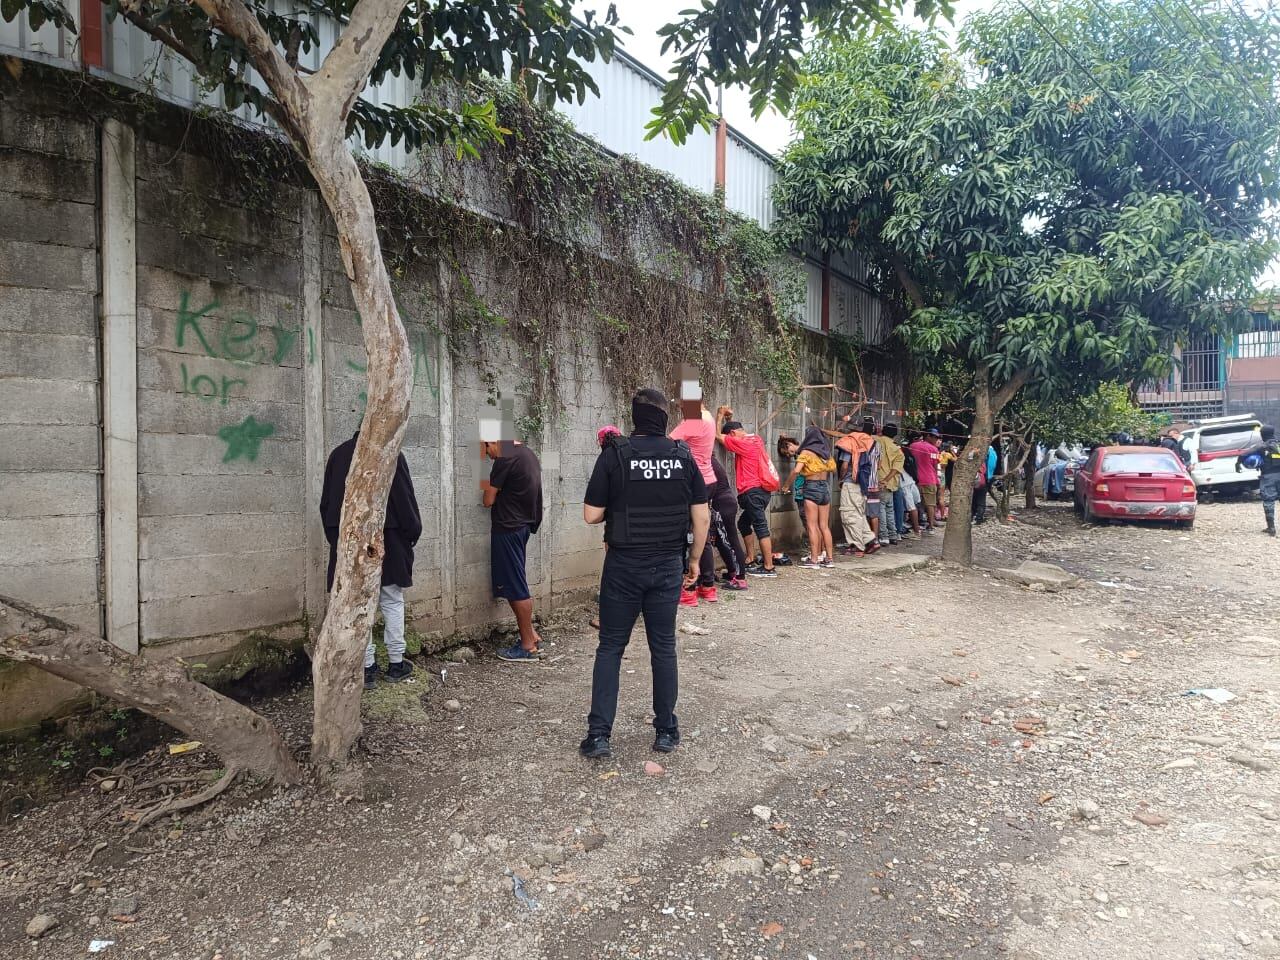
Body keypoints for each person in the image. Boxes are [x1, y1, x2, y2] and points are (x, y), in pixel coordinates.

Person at [581, 388, 710, 759]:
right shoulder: (683, 455)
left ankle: (599, 736)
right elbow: (700, 516)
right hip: (668, 564)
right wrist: (695, 561)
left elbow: (591, 515)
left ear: (634, 416)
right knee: (663, 647)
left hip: (623, 565)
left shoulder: (615, 454)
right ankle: (666, 731)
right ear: (664, 417)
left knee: (610, 647)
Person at [320, 433, 422, 688]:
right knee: (391, 600)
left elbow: (327, 505)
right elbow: (406, 501)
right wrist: (411, 534)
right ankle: (397, 663)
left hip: (349, 540)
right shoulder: (391, 454)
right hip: (389, 538)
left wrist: (338, 542)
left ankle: (366, 667)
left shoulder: (338, 454)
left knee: (357, 605)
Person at [482, 437, 544, 661]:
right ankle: (532, 636)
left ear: (493, 441)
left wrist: (488, 489)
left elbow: (488, 500)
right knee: (515, 582)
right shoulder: (528, 454)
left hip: (508, 528)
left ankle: (527, 646)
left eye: (485, 447)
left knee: (516, 586)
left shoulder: (504, 458)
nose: (487, 454)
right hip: (523, 526)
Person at [715, 406, 779, 578]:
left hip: (753, 492)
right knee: (743, 524)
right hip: (762, 492)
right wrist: (730, 421)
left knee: (761, 527)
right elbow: (733, 433)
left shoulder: (742, 443)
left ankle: (768, 567)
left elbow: (717, 436)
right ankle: (750, 558)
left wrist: (719, 416)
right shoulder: (754, 440)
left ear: (733, 434)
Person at [671, 405, 719, 606]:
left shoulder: (693, 419)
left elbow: (666, 443)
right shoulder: (708, 417)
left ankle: (687, 590)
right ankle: (707, 586)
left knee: (685, 535)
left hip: (691, 483)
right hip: (708, 479)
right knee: (702, 533)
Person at [784, 427, 837, 568]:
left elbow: (796, 471)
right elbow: (833, 469)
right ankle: (829, 559)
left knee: (812, 525)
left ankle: (814, 560)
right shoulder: (826, 453)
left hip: (811, 487)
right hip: (824, 487)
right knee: (824, 526)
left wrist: (786, 485)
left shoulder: (806, 452)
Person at [589, 426, 622, 629]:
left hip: (614, 530)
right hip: (636, 528)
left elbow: (594, 512)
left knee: (612, 575)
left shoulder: (606, 463)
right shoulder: (629, 459)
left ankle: (606, 618)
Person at [835, 420, 879, 556]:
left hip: (850, 484)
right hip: (862, 484)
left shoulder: (850, 442)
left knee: (849, 515)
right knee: (858, 514)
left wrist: (841, 479)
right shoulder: (865, 442)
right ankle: (870, 541)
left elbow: (844, 465)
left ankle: (858, 547)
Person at [1237, 424, 1279, 536]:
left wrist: (1238, 464)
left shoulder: (1262, 446)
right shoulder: (1278, 444)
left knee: (1269, 501)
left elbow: (1243, 454)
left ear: (1262, 434)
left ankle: (1271, 528)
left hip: (1268, 477)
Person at [907, 429, 943, 532]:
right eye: (934, 437)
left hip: (915, 479)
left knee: (915, 503)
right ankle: (930, 526)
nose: (936, 439)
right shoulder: (934, 450)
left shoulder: (913, 446)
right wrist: (937, 480)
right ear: (928, 436)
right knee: (930, 504)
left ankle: (915, 524)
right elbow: (935, 466)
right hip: (930, 479)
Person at [877, 423, 906, 545]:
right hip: (891, 483)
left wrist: (883, 480)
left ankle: (883, 536)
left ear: (883, 431)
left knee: (881, 510)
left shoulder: (877, 441)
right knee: (889, 509)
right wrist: (888, 480)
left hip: (879, 481)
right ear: (895, 435)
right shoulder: (898, 450)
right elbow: (896, 469)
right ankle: (893, 535)